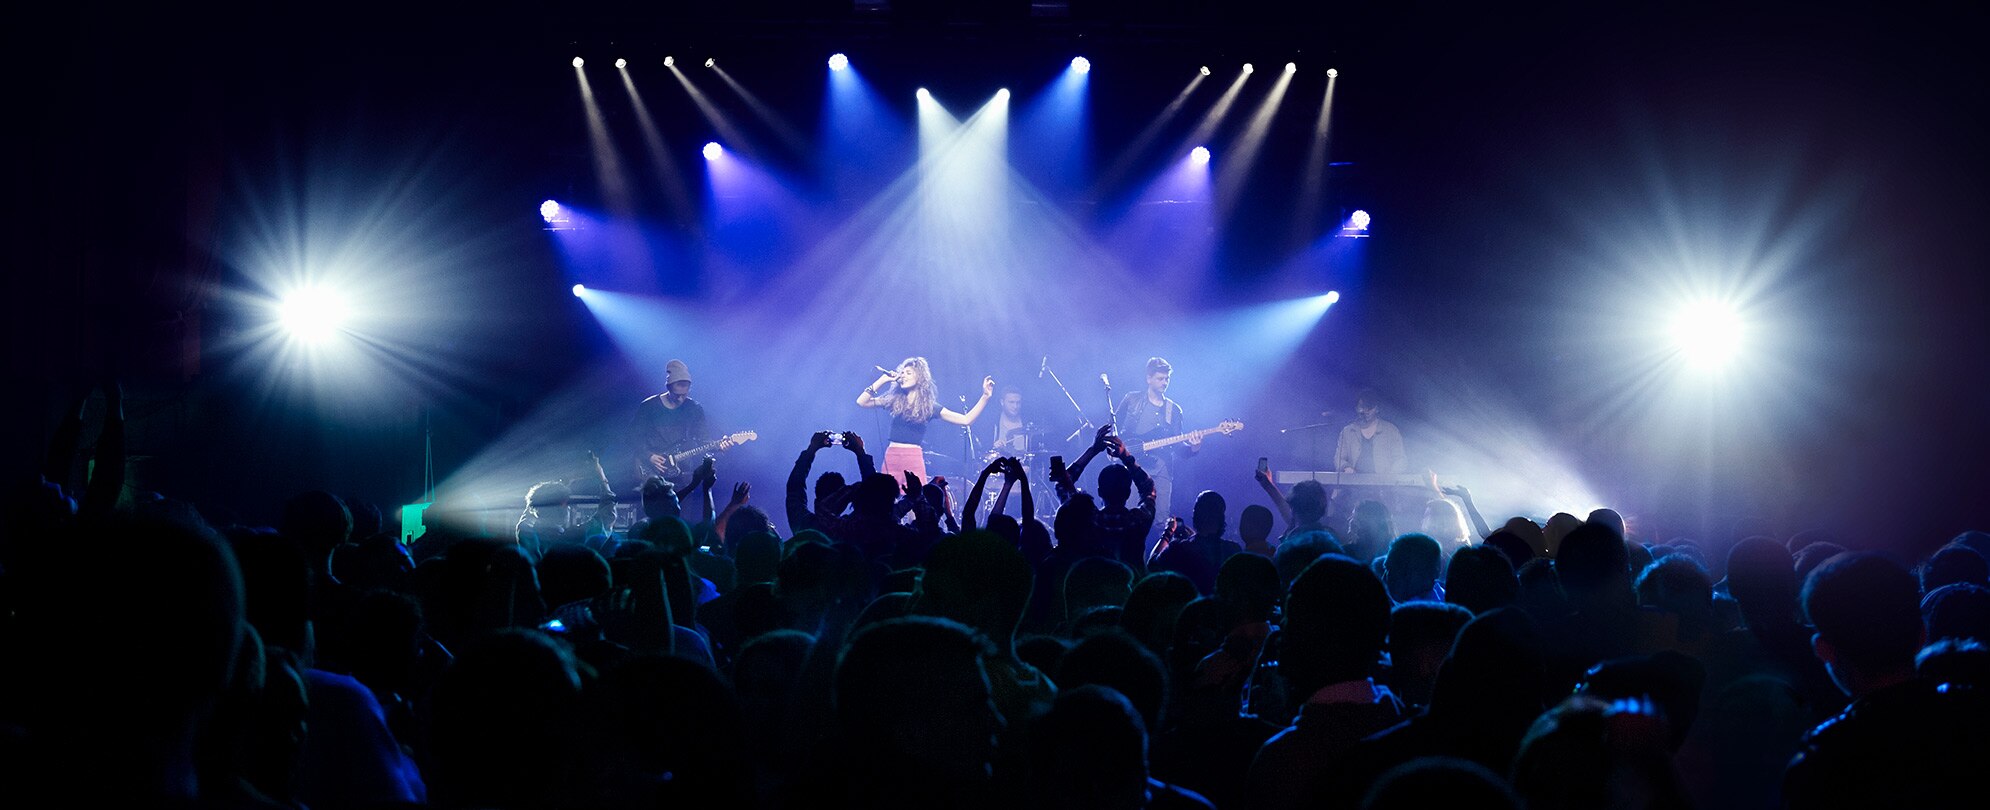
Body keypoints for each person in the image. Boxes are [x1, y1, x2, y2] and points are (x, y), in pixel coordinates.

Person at [857, 357, 994, 487]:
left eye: (908, 373)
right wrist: (882, 380)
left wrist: (985, 397)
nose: (903, 375)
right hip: (892, 456)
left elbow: (966, 420)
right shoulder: (894, 399)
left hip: (913, 458)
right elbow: (862, 402)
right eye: (902, 372)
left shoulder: (929, 406)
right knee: (885, 501)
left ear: (920, 377)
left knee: (916, 504)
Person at [1116, 357, 1197, 521]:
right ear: (1149, 378)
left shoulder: (1173, 410)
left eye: (1167, 378)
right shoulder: (1131, 399)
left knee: (1161, 519)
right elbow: (1113, 426)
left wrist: (1193, 448)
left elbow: (1177, 446)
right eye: (1160, 378)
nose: (1165, 382)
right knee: (1129, 516)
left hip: (1161, 469)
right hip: (1133, 464)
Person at [630, 359, 711, 488]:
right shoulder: (649, 406)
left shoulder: (694, 409)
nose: (680, 398)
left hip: (682, 473)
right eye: (676, 394)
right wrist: (649, 456)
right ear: (668, 388)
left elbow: (704, 440)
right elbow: (633, 436)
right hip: (651, 472)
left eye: (684, 395)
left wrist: (719, 447)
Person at [1334, 389, 1407, 476]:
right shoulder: (1347, 431)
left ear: (1377, 409)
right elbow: (1339, 459)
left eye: (1370, 407)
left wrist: (1390, 476)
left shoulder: (1391, 430)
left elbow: (1400, 459)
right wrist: (1346, 468)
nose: (1366, 411)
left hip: (1383, 487)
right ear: (1356, 408)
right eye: (1362, 407)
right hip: (1352, 486)